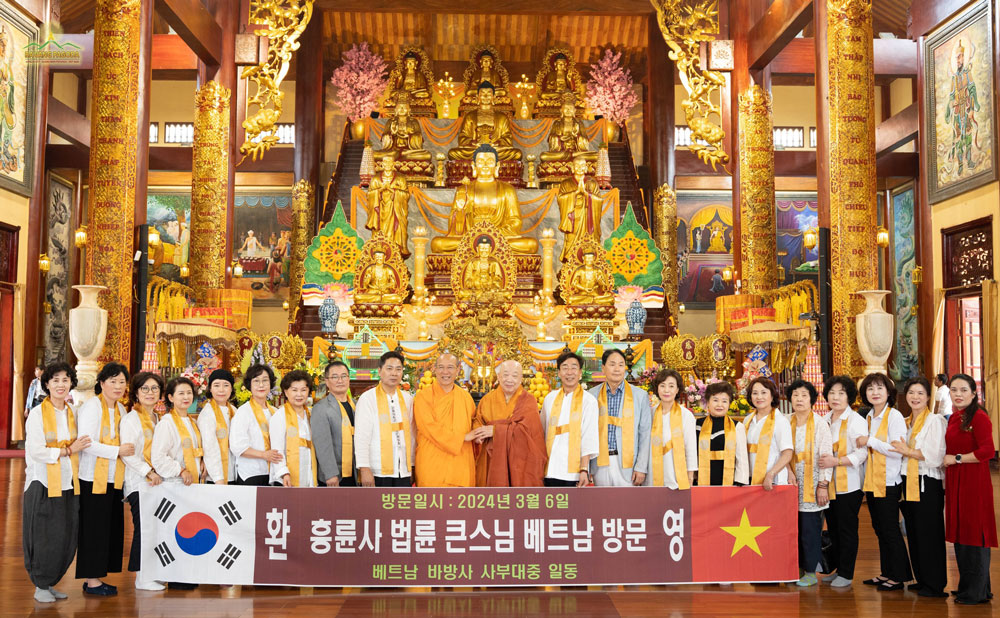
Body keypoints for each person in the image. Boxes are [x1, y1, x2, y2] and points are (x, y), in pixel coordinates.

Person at [23, 362, 90, 603]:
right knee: (43, 535)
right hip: (43, 482)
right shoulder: (38, 414)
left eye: (65, 379)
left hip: (68, 481)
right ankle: (40, 583)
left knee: (64, 535)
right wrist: (68, 450)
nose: (61, 384)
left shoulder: (73, 412)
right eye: (55, 380)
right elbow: (37, 451)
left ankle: (51, 582)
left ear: (71, 382)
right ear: (47, 384)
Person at [77, 362, 133, 596]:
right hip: (92, 477)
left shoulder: (121, 410)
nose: (118, 386)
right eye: (113, 381)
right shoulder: (92, 406)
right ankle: (92, 581)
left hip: (114, 478)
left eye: (122, 382)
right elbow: (86, 442)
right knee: (93, 529)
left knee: (108, 528)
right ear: (101, 383)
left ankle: (98, 576)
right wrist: (117, 450)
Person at [889, 376, 947, 598]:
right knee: (913, 532)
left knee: (929, 533)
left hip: (927, 483)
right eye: (911, 393)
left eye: (920, 393)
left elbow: (935, 456)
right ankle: (922, 578)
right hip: (907, 483)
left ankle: (935, 583)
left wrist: (907, 451)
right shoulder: (904, 422)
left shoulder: (935, 421)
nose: (915, 397)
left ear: (928, 397)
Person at [942, 373, 996, 605]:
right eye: (954, 390)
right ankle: (973, 587)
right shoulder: (955, 417)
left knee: (974, 534)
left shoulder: (979, 417)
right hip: (957, 481)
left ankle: (975, 593)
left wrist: (958, 459)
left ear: (974, 393)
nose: (958, 394)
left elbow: (988, 451)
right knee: (962, 534)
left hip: (974, 483)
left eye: (964, 390)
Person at [856, 372, 911, 591]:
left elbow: (897, 451)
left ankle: (899, 576)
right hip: (871, 480)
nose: (875, 392)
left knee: (890, 529)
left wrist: (870, 440)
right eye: (870, 389)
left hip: (888, 481)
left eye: (880, 388)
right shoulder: (868, 417)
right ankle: (887, 572)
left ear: (889, 392)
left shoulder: (894, 416)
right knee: (879, 528)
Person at [817, 375, 867, 589]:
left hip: (849, 484)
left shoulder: (856, 420)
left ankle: (847, 573)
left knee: (847, 529)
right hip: (829, 485)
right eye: (832, 393)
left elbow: (862, 453)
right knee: (834, 527)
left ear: (849, 396)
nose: (835, 397)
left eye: (841, 393)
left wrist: (836, 461)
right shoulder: (825, 419)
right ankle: (837, 568)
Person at [119, 372, 165, 591]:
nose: (150, 392)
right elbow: (128, 454)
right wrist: (148, 472)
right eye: (145, 388)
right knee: (143, 528)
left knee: (156, 528)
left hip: (158, 483)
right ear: (136, 392)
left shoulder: (160, 419)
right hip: (139, 483)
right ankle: (141, 576)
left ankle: (152, 572)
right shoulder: (131, 419)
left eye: (154, 388)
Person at [786, 379, 833, 587]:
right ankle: (792, 568)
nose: (799, 399)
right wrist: (787, 471)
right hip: (789, 483)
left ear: (812, 399)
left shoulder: (821, 424)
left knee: (810, 529)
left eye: (804, 395)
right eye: (795, 395)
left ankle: (811, 571)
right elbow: (780, 453)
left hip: (812, 485)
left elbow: (826, 455)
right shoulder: (785, 421)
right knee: (790, 529)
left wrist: (823, 485)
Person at [472, 359, 547, 486]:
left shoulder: (528, 400)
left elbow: (530, 432)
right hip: (491, 458)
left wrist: (496, 431)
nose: (509, 379)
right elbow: (478, 421)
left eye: (514, 376)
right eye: (505, 375)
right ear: (499, 377)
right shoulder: (487, 399)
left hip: (518, 461)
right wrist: (478, 435)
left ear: (521, 379)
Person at [588, 349, 651, 487]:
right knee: (603, 505)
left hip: (628, 464)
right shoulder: (591, 396)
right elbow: (586, 433)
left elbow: (645, 434)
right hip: (600, 463)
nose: (617, 369)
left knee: (628, 506)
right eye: (612, 364)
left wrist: (641, 467)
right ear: (603, 368)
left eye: (621, 365)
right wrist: (587, 467)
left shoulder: (640, 396)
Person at [413, 353, 477, 487]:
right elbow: (428, 427)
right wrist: (462, 438)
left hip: (461, 462)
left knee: (460, 505)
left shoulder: (466, 398)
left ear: (458, 369)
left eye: (450, 367)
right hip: (432, 462)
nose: (445, 372)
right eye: (441, 367)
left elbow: (474, 422)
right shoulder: (423, 397)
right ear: (434, 369)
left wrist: (479, 431)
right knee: (432, 503)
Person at [356, 351, 415, 487]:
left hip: (402, 470)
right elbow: (361, 437)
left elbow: (412, 434)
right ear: (379, 371)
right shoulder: (368, 399)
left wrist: (411, 465)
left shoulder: (407, 399)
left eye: (398, 369)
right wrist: (365, 468)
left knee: (402, 507)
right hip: (377, 470)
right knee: (377, 508)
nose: (394, 373)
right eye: (389, 368)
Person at [540, 352, 598, 487]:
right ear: (559, 373)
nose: (569, 372)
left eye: (573, 368)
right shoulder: (550, 398)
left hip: (573, 473)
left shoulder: (589, 401)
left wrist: (584, 469)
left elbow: (589, 437)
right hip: (549, 468)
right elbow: (541, 431)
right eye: (565, 368)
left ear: (580, 373)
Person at [230, 364, 282, 485]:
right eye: (256, 381)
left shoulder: (275, 411)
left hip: (272, 473)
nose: (261, 385)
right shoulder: (243, 412)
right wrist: (264, 455)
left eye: (265, 380)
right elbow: (237, 446)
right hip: (251, 473)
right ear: (249, 385)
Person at [644, 369, 697, 489]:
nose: (666, 390)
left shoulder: (686, 415)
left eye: (671, 386)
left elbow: (691, 448)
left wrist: (689, 476)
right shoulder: (650, 413)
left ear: (677, 389)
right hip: (652, 475)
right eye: (662, 386)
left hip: (676, 476)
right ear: (657, 388)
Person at [150, 377, 203, 486]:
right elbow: (158, 458)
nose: (186, 397)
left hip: (195, 481)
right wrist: (180, 470)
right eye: (181, 393)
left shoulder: (192, 422)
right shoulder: (166, 424)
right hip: (175, 483)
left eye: (189, 393)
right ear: (171, 397)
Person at [269, 370, 317, 488]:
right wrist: (284, 473)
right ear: (286, 392)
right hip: (286, 479)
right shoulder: (279, 416)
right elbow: (277, 450)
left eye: (303, 390)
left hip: (308, 475)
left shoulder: (311, 415)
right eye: (294, 390)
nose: (299, 395)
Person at [312, 361, 356, 487]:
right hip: (334, 476)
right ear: (327, 381)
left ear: (349, 379)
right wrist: (330, 474)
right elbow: (322, 444)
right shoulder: (321, 408)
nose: (340, 380)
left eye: (344, 376)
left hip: (354, 472)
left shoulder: (356, 404)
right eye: (335, 377)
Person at [695, 381, 749, 486]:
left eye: (724, 401)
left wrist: (740, 480)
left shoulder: (737, 426)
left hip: (729, 481)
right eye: (715, 400)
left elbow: (741, 457)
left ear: (729, 404)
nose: (720, 405)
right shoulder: (697, 425)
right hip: (700, 480)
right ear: (708, 402)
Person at [743, 377, 793, 490]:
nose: (759, 397)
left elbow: (787, 453)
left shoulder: (780, 421)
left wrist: (771, 474)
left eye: (764, 392)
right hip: (751, 479)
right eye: (755, 393)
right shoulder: (748, 421)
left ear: (772, 396)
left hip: (773, 481)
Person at [198, 369, 236, 485]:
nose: (221, 390)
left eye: (226, 385)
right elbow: (209, 448)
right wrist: (218, 478)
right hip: (216, 478)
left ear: (231, 388)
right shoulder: (208, 413)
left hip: (234, 474)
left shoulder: (234, 411)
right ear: (210, 388)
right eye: (216, 385)